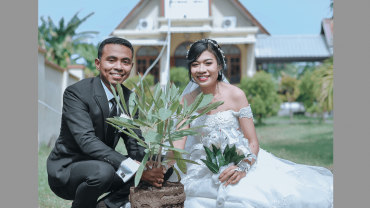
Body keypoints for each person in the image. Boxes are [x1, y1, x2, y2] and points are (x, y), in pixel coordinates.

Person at [166, 39, 333, 207]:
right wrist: (160, 166)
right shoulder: (185, 100)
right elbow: (178, 145)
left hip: (240, 161)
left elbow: (252, 141)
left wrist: (243, 167)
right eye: (195, 64)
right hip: (203, 168)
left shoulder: (236, 95)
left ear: (219, 66)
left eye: (208, 63)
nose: (201, 70)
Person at [46, 37, 173, 208]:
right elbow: (87, 142)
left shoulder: (129, 98)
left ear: (131, 67)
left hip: (105, 166)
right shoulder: (76, 93)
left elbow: (134, 145)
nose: (119, 67)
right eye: (111, 60)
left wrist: (149, 166)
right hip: (69, 172)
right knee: (103, 171)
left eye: (125, 62)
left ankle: (106, 205)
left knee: (162, 165)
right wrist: (136, 169)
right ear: (98, 64)